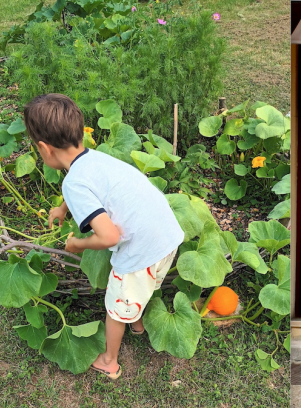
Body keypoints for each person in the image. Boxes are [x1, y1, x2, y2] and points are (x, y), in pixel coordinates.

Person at [23, 93, 184, 379]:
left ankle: (110, 360)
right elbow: (85, 186)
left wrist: (77, 244)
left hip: (141, 252)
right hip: (167, 238)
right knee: (140, 288)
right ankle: (136, 323)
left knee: (116, 304)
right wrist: (62, 208)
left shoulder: (75, 183)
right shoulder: (92, 158)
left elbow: (109, 237)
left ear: (45, 150)